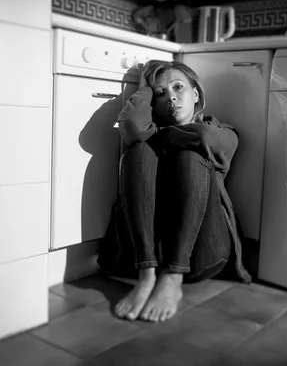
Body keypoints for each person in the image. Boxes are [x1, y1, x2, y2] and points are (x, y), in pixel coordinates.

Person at [97, 60, 251, 323]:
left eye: (178, 87)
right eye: (160, 94)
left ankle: (173, 276)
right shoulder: (144, 137)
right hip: (143, 255)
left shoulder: (223, 131)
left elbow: (203, 136)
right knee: (137, 151)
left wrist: (156, 135)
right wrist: (144, 88)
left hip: (204, 252)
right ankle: (147, 276)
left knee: (189, 156)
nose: (171, 97)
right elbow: (134, 126)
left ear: (196, 94)